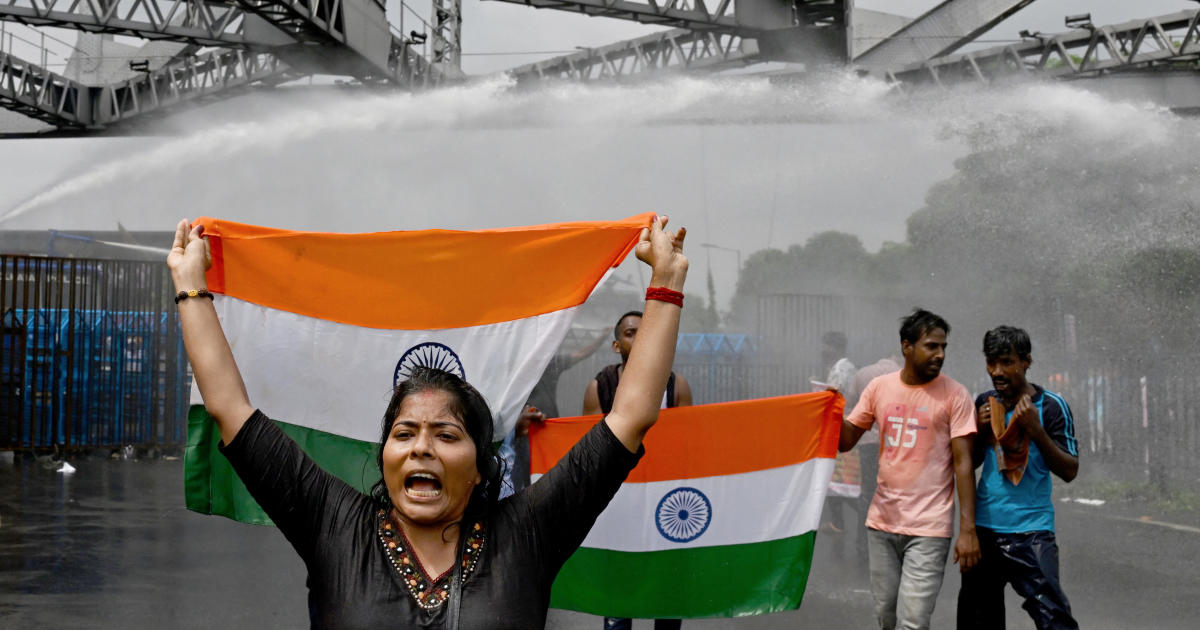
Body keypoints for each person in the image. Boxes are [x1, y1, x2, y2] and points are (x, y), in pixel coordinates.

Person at [166, 215, 689, 629]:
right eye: (404, 433)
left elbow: (631, 414)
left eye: (446, 434)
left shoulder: (528, 533)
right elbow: (230, 408)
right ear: (385, 456)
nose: (421, 448)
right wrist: (191, 286)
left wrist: (665, 283)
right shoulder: (335, 525)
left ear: (482, 467)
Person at [839, 309, 980, 630]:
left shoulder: (955, 395)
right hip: (882, 524)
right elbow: (846, 441)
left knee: (913, 621)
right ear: (907, 347)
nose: (940, 354)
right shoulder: (878, 388)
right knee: (887, 616)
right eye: (931, 346)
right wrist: (829, 410)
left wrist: (967, 530)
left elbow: (964, 463)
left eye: (943, 346)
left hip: (929, 529)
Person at [957, 326, 1079, 630]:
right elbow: (966, 465)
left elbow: (1069, 470)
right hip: (984, 531)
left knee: (1054, 619)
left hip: (1032, 532)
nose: (997, 372)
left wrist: (1035, 430)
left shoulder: (1050, 406)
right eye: (991, 362)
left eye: (1007, 362)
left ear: (1026, 362)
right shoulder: (985, 403)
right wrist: (982, 433)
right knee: (977, 621)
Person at [584, 310, 692, 630]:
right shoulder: (600, 386)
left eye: (646, 331)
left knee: (667, 594)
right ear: (617, 345)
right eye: (631, 332)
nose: (640, 337)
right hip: (619, 500)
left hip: (666, 501)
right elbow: (588, 452)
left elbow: (689, 447)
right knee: (619, 595)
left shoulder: (676, 385)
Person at [507, 330, 609, 491]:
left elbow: (581, 354)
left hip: (546, 428)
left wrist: (602, 337)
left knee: (548, 475)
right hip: (527, 431)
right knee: (529, 473)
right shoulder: (513, 369)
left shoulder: (549, 364)